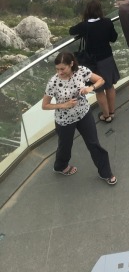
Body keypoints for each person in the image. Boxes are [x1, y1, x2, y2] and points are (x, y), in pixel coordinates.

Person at [42, 51, 117, 185]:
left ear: (71, 64)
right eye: (57, 69)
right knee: (65, 146)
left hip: (84, 114)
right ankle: (60, 166)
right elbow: (45, 105)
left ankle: (106, 173)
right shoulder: (53, 82)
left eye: (62, 69)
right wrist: (64, 105)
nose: (59, 72)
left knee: (94, 144)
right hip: (64, 120)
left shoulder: (82, 71)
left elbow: (101, 80)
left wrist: (90, 88)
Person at [69, 0, 120, 122]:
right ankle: (112, 112)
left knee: (99, 90)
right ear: (100, 10)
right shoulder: (107, 22)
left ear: (87, 11)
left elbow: (71, 31)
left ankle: (106, 116)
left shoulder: (84, 26)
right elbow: (113, 38)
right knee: (110, 86)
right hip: (107, 58)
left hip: (93, 62)